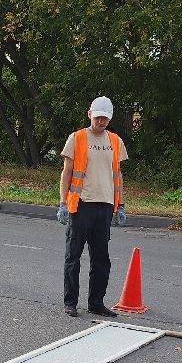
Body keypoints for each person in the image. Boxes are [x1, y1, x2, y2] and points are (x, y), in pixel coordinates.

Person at [57, 96, 129, 317]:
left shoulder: (115, 141)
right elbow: (67, 172)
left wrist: (121, 205)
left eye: (105, 118)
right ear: (90, 114)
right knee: (73, 256)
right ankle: (70, 302)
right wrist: (62, 202)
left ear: (110, 118)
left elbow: (118, 174)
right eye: (97, 117)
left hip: (105, 206)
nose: (101, 121)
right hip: (81, 205)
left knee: (101, 260)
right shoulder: (77, 138)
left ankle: (96, 303)